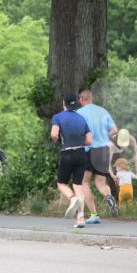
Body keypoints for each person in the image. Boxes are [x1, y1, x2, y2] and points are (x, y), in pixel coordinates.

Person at [77, 88, 119, 221]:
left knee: (85, 182)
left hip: (89, 150)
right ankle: (109, 197)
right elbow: (114, 130)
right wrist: (106, 136)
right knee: (101, 183)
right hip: (104, 151)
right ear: (91, 98)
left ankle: (94, 215)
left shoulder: (79, 113)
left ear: (81, 99)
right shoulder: (103, 111)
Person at [51, 93, 92, 228]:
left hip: (67, 153)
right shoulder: (81, 118)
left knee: (61, 183)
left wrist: (57, 141)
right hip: (81, 154)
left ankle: (72, 198)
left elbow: (54, 134)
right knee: (78, 185)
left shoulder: (58, 117)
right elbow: (89, 140)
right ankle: (80, 219)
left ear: (64, 104)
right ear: (76, 104)